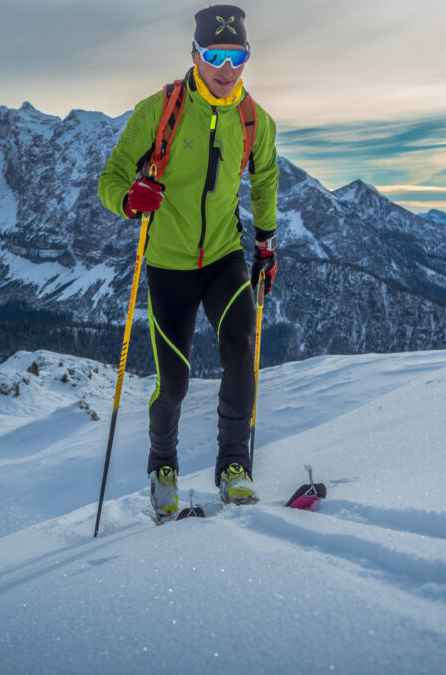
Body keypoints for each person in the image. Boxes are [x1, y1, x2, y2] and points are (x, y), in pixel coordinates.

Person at [97, 4, 279, 519]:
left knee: (241, 348)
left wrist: (266, 242)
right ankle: (162, 466)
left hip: (224, 255)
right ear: (195, 53)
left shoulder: (254, 120)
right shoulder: (158, 110)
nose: (227, 68)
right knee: (173, 381)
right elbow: (110, 179)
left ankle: (232, 467)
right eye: (215, 54)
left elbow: (264, 181)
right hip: (169, 264)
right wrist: (130, 199)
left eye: (237, 55)